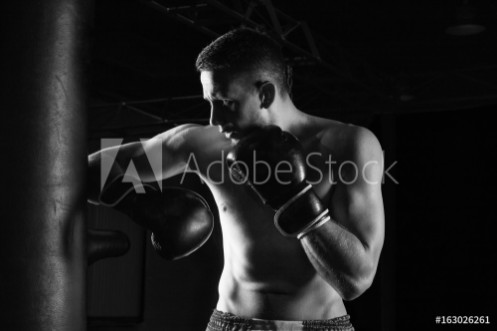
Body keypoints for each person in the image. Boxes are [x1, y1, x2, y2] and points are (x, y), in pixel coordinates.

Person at [89, 28, 385, 331]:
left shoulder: (343, 146)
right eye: (209, 102)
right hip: (230, 323)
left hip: (321, 325)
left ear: (265, 94)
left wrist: (297, 201)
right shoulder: (203, 145)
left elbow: (356, 281)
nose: (214, 119)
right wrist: (134, 201)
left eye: (225, 101)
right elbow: (93, 168)